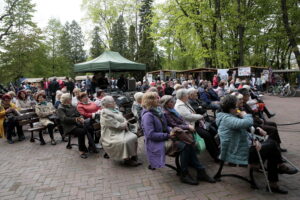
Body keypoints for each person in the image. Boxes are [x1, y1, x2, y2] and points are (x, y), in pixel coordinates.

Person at [216, 95, 297, 194]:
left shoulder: (229, 116)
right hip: (237, 151)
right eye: (236, 107)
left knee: (272, 149)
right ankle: (277, 172)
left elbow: (242, 133)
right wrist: (245, 114)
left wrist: (254, 139)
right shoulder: (226, 119)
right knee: (272, 145)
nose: (238, 108)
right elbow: (247, 123)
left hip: (243, 146)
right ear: (231, 108)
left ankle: (274, 179)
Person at [160, 95, 215, 184]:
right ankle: (192, 172)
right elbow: (173, 125)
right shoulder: (166, 113)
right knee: (187, 145)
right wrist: (187, 126)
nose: (173, 102)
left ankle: (193, 172)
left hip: (181, 133)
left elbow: (182, 120)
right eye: (171, 102)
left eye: (173, 100)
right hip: (175, 135)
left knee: (189, 145)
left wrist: (187, 125)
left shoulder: (172, 110)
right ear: (166, 104)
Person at [175, 89, 220, 162]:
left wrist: (198, 115)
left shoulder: (185, 102)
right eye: (186, 95)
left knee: (210, 133)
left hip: (195, 123)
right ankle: (216, 156)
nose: (188, 96)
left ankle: (217, 152)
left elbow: (194, 112)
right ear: (182, 96)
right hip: (190, 126)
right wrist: (200, 116)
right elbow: (188, 116)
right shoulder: (179, 106)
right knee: (206, 135)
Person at [100, 96, 141, 166]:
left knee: (134, 136)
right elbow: (116, 125)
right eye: (113, 102)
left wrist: (124, 122)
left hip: (121, 130)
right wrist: (124, 124)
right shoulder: (105, 113)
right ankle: (127, 159)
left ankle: (133, 154)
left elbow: (123, 118)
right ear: (108, 105)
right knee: (124, 141)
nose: (115, 102)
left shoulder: (114, 109)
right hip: (111, 133)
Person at [58, 94, 95, 159]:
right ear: (66, 100)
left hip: (77, 124)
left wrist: (81, 118)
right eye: (70, 99)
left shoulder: (72, 106)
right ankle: (81, 150)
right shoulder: (61, 108)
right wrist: (76, 119)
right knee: (81, 132)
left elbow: (78, 114)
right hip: (68, 127)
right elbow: (64, 119)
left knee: (90, 128)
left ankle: (91, 146)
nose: (71, 100)